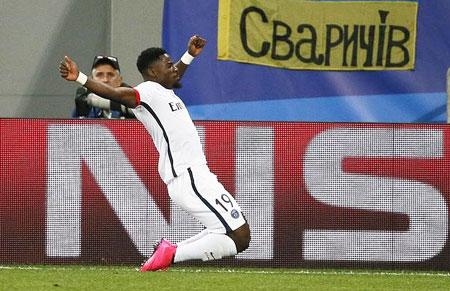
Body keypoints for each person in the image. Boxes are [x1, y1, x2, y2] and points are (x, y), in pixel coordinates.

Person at [59, 35, 251, 271]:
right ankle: (170, 254)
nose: (174, 68)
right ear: (152, 71)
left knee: (229, 233)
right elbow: (117, 94)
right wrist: (79, 77)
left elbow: (175, 74)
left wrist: (189, 55)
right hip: (188, 176)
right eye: (167, 65)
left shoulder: (162, 91)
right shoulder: (147, 91)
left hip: (196, 175)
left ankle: (168, 252)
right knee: (239, 236)